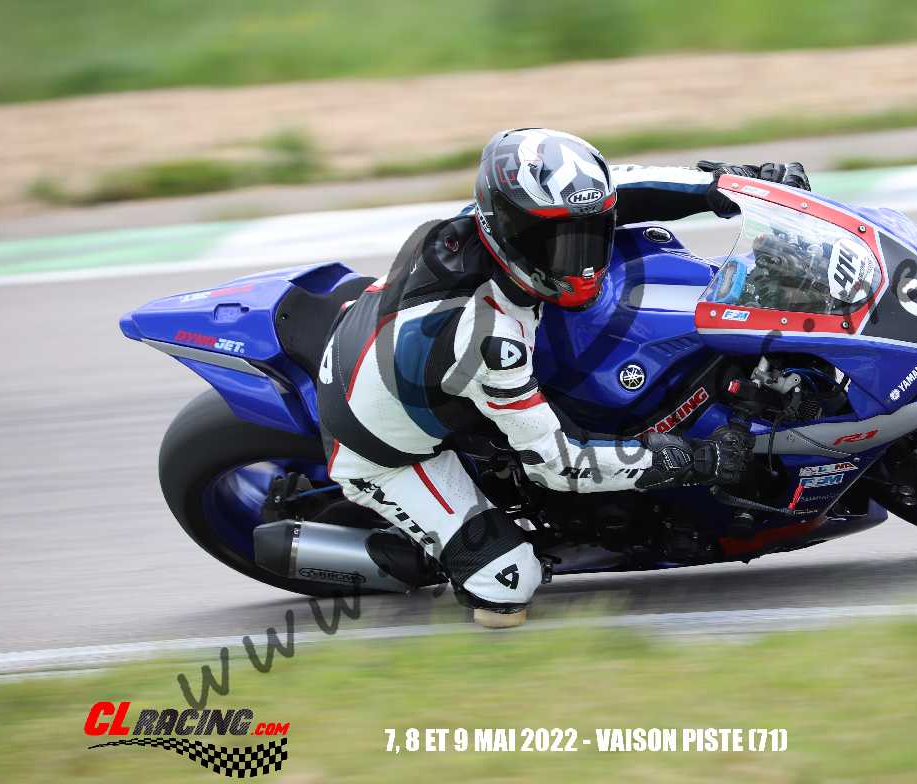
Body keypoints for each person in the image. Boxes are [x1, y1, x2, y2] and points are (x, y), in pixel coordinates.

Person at [316, 128, 809, 627]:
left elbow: (626, 187)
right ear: (507, 229)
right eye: (556, 243)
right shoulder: (489, 336)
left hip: (400, 347)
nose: (581, 263)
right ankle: (423, 554)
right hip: (380, 444)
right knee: (508, 589)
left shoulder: (490, 222)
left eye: (590, 235)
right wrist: (691, 460)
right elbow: (557, 465)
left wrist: (731, 185)